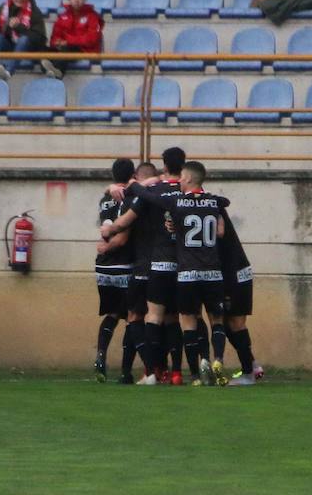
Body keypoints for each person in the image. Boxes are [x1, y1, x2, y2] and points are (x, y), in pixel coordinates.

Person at [107, 160, 229, 386]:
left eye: (182, 178)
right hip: (214, 273)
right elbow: (220, 228)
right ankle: (217, 359)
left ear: (190, 179)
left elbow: (150, 197)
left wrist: (134, 185)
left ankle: (190, 375)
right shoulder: (215, 202)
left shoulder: (177, 202)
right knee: (216, 320)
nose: (179, 181)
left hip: (186, 273)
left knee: (185, 320)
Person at [102, 146, 188, 386]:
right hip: (182, 266)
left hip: (151, 264)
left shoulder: (150, 193)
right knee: (174, 319)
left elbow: (124, 222)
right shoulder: (187, 191)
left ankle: (150, 372)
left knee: (146, 316)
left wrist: (109, 229)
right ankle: (177, 372)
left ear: (165, 165)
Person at [94, 157, 136, 382]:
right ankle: (125, 371)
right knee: (131, 317)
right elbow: (121, 239)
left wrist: (104, 247)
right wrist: (111, 245)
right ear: (133, 175)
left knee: (111, 315)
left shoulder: (105, 198)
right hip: (124, 266)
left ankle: (100, 357)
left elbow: (106, 228)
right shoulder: (131, 197)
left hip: (103, 266)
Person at [218, 201, 262, 385]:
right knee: (225, 323)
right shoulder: (212, 204)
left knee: (235, 322)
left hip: (233, 272)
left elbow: (220, 232)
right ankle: (252, 365)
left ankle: (248, 373)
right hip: (231, 271)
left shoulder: (211, 207)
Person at [42, 0, 103, 80]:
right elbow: (54, 37)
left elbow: (92, 39)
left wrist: (68, 41)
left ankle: (57, 71)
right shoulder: (63, 17)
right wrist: (57, 43)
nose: (76, 0)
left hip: (84, 51)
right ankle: (51, 70)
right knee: (42, 50)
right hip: (65, 48)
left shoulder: (92, 16)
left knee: (67, 48)